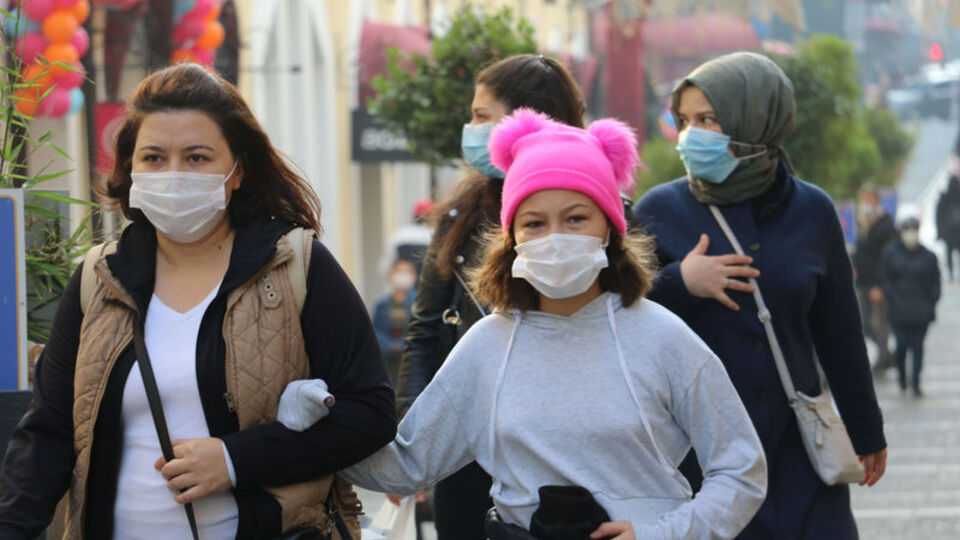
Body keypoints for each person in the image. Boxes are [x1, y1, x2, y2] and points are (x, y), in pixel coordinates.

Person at [0, 64, 396, 539]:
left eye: (196, 157)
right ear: (130, 169)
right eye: (153, 157)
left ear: (237, 170)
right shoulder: (99, 278)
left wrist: (235, 460)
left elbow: (370, 413)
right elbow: (48, 432)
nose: (173, 174)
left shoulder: (295, 265)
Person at [333, 109, 767, 539]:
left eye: (576, 218)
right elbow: (405, 465)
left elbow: (741, 471)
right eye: (534, 223)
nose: (555, 237)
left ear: (609, 228)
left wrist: (663, 534)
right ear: (512, 238)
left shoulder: (663, 337)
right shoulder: (487, 346)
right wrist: (315, 409)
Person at [633, 52, 887, 539]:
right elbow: (618, 316)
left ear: (755, 119)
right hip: (702, 460)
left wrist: (866, 429)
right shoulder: (659, 210)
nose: (691, 135)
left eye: (708, 119)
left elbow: (839, 332)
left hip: (798, 452)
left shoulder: (811, 210)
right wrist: (681, 282)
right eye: (684, 121)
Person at [394, 53, 587, 539]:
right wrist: (410, 441)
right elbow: (425, 330)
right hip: (469, 449)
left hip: (567, 448)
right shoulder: (460, 216)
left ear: (528, 121)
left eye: (483, 116)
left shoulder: (595, 208)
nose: (472, 129)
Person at [878, 217, 941, 396]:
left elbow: (935, 281)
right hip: (899, 309)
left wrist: (932, 300)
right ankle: (902, 377)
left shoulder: (928, 256)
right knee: (901, 346)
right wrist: (892, 297)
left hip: (921, 310)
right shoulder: (891, 253)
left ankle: (916, 381)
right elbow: (884, 277)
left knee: (918, 347)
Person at [852, 188, 898, 371]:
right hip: (862, 282)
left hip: (877, 284)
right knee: (865, 324)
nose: (864, 204)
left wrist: (880, 284)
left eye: (867, 200)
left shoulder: (886, 224)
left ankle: (884, 357)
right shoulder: (861, 223)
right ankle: (886, 353)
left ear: (876, 201)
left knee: (879, 322)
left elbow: (887, 258)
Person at [372, 259, 418, 384]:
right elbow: (375, 330)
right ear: (391, 275)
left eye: (407, 271)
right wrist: (389, 345)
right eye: (399, 271)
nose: (402, 275)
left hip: (411, 361)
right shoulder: (382, 304)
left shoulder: (419, 303)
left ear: (414, 277)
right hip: (387, 362)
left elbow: (419, 329)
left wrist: (403, 344)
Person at [936, 175, 960, 281]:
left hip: (949, 233)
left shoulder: (945, 197)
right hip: (953, 233)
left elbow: (938, 217)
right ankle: (951, 273)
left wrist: (940, 232)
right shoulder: (945, 197)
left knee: (949, 254)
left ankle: (951, 273)